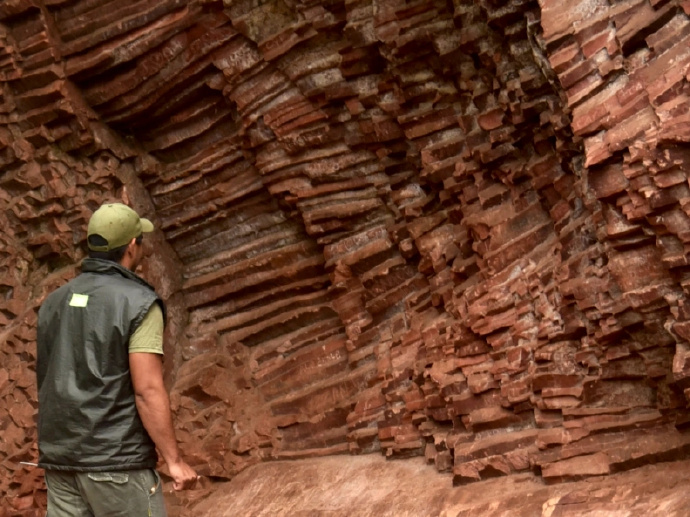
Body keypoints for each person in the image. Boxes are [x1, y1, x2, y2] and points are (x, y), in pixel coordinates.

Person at [36, 202, 198, 516]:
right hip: (117, 463)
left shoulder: (53, 303)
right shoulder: (138, 303)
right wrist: (174, 462)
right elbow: (147, 390)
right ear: (133, 246)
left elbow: (49, 376)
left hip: (61, 462)